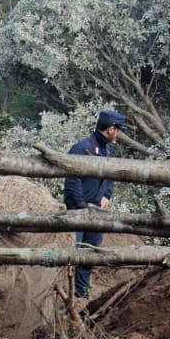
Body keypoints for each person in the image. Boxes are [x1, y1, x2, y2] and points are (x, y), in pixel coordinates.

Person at [63, 109, 125, 299]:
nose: (119, 134)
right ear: (111, 129)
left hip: (97, 212)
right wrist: (82, 206)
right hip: (78, 211)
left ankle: (81, 295)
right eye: (119, 130)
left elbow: (111, 177)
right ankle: (64, 295)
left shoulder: (107, 152)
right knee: (72, 253)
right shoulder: (81, 148)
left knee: (89, 255)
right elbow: (72, 181)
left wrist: (106, 195)